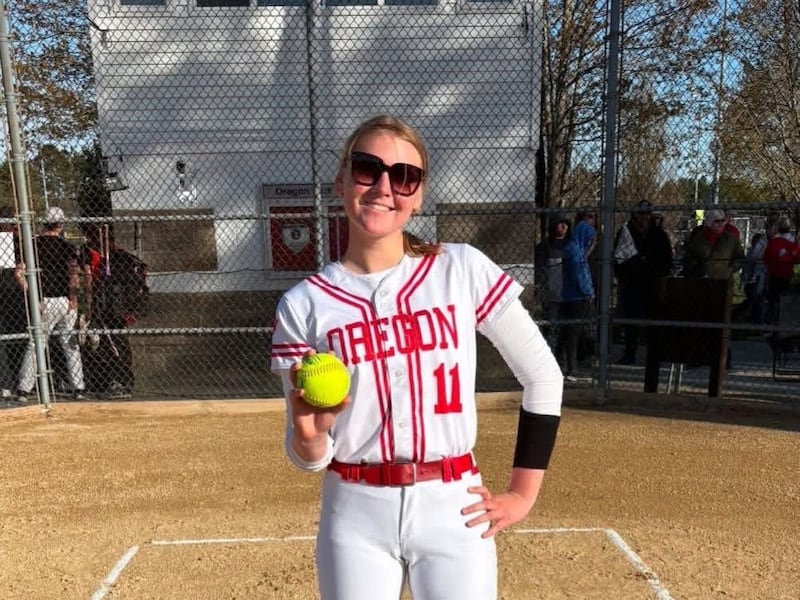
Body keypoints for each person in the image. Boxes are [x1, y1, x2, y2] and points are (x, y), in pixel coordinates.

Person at [270, 115, 563, 600]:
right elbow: (307, 456)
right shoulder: (304, 304)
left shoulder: (460, 268)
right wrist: (308, 439)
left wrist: (522, 495)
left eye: (405, 176)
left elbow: (543, 377)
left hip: (455, 504)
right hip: (354, 507)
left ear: (419, 194)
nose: (385, 187)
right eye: (368, 168)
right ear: (341, 180)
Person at [16, 206, 92, 403]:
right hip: (64, 300)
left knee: (36, 344)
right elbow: (73, 275)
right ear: (61, 225)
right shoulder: (67, 246)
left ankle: (24, 389)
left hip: (43, 300)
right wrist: (74, 300)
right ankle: (79, 388)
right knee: (70, 344)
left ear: (44, 223)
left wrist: (33, 296)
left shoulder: (32, 244)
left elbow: (19, 273)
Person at [612, 200, 673, 365]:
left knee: (653, 320)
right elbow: (617, 258)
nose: (644, 217)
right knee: (630, 320)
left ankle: (654, 355)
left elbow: (667, 261)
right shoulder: (626, 232)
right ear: (634, 214)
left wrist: (655, 270)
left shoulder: (658, 234)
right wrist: (624, 274)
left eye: (647, 214)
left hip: (652, 283)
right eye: (641, 214)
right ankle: (629, 353)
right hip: (630, 283)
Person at [559, 215, 595, 380]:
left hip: (571, 296)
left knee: (568, 332)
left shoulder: (574, 249)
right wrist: (588, 292)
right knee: (573, 333)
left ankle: (566, 365)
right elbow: (579, 275)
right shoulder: (575, 251)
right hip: (576, 297)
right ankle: (572, 368)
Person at [0, 206, 27, 402]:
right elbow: (7, 272)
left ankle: (9, 383)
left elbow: (10, 272)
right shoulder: (7, 240)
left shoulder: (19, 241)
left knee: (13, 340)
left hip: (13, 296)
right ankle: (8, 383)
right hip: (10, 295)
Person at [533, 212, 570, 353]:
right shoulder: (545, 246)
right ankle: (551, 354)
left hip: (568, 294)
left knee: (567, 327)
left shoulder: (570, 245)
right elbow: (540, 272)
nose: (564, 227)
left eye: (566, 224)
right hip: (552, 294)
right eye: (561, 223)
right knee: (552, 326)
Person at [763, 214, 800, 324]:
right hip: (786, 276)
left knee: (772, 301)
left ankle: (770, 323)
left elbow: (766, 258)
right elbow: (797, 258)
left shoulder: (773, 243)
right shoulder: (793, 244)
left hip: (774, 275)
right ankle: (783, 323)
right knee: (785, 300)